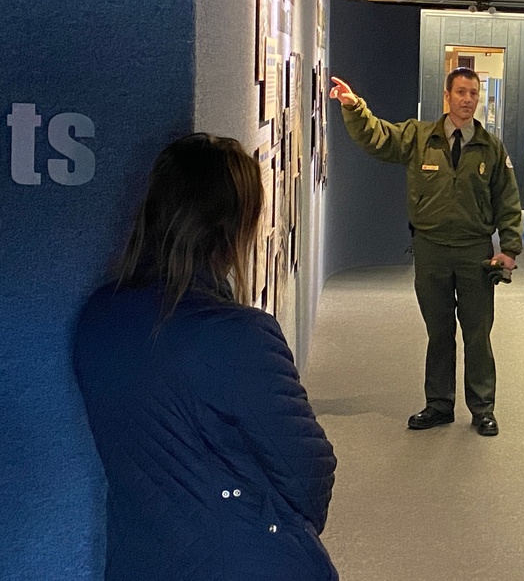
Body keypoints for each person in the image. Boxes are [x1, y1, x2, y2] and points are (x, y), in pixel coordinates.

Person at [74, 133, 338, 581]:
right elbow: (309, 473)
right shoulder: (240, 336)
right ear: (231, 228)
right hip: (247, 563)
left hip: (139, 561)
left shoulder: (97, 318)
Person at [330, 68, 522, 437]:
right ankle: (438, 404)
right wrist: (354, 107)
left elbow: (508, 199)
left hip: (474, 253)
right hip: (431, 249)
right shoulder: (419, 137)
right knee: (439, 331)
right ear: (447, 96)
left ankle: (482, 408)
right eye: (461, 92)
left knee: (477, 334)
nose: (468, 100)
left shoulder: (490, 147)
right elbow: (379, 137)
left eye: (473, 93)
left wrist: (509, 247)